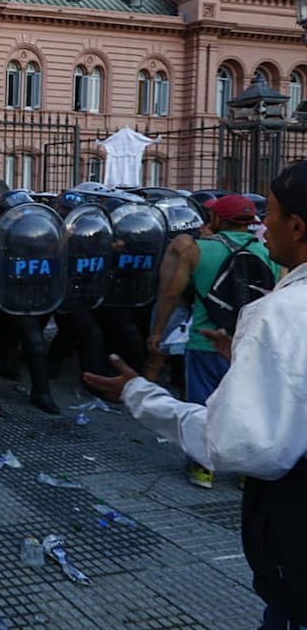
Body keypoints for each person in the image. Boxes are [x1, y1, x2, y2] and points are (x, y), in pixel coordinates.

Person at [84, 161, 307, 630]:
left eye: (272, 213)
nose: (262, 224)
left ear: (297, 227)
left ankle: (200, 474)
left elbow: (235, 442)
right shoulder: (274, 286)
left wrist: (139, 392)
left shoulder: (277, 312)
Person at [146, 193, 276, 489]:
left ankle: (202, 468)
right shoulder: (268, 252)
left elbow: (171, 294)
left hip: (204, 341)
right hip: (249, 344)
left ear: (217, 218)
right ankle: (244, 470)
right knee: (245, 405)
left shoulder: (197, 250)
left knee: (201, 405)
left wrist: (158, 331)